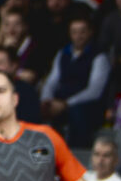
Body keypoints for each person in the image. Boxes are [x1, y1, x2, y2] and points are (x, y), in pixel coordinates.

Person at [41, 16, 111, 147]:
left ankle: (76, 155)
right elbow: (52, 81)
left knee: (77, 112)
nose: (78, 36)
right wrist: (47, 100)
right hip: (61, 102)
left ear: (90, 32)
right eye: (74, 32)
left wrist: (66, 104)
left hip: (87, 106)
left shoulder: (99, 56)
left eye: (82, 32)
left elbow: (94, 91)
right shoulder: (63, 53)